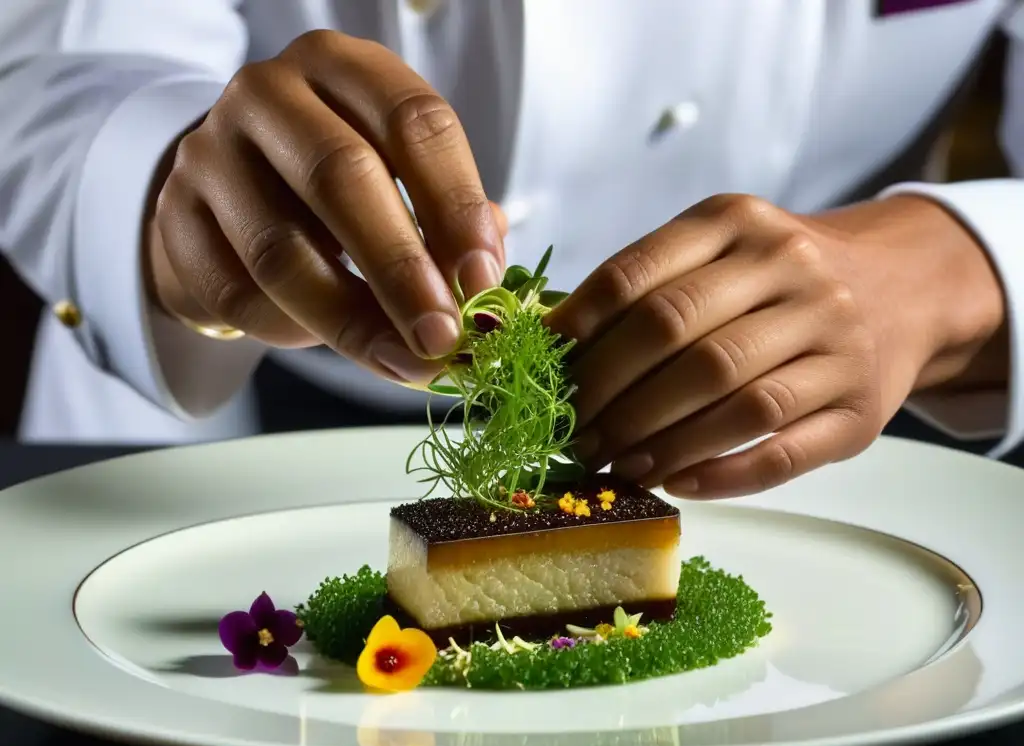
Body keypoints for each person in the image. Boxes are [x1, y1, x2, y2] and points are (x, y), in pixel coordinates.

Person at [0, 0, 1020, 500]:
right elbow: (65, 61)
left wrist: (962, 267)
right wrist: (166, 178)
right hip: (215, 416)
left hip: (796, 433)